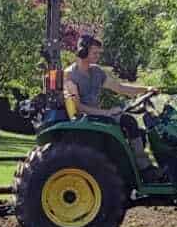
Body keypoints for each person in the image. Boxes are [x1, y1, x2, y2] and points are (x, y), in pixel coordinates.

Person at [63, 36, 162, 176]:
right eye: (95, 53)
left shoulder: (96, 72)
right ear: (83, 52)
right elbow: (79, 108)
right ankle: (142, 169)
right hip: (84, 119)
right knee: (126, 124)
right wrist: (107, 112)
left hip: (98, 116)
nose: (98, 56)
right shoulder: (69, 76)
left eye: (99, 53)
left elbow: (120, 88)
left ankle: (142, 166)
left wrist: (146, 89)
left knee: (131, 123)